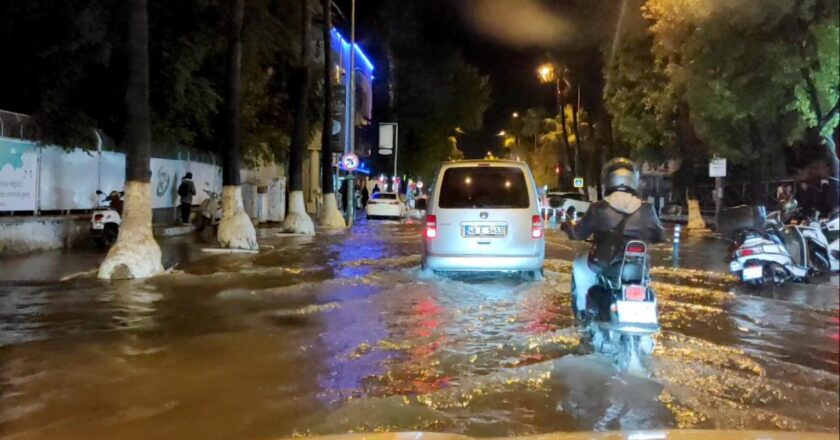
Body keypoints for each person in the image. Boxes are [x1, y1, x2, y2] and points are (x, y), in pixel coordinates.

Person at [562, 158, 667, 323]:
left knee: (579, 267)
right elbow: (661, 236)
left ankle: (582, 314)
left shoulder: (599, 208)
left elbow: (578, 234)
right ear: (633, 180)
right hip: (638, 269)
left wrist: (567, 227)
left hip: (605, 262)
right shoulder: (647, 209)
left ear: (609, 180)